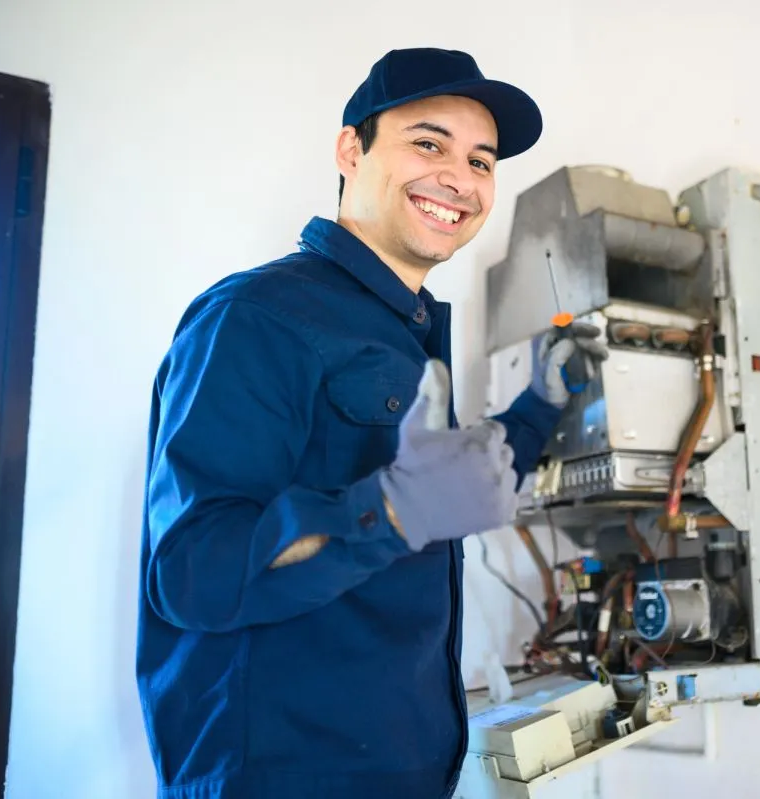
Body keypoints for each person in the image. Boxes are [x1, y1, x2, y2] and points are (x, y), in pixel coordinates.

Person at [135, 48, 606, 799]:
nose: (461, 177)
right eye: (429, 143)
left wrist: (540, 405)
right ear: (350, 148)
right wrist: (390, 510)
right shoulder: (256, 318)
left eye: (481, 160)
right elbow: (195, 571)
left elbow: (452, 485)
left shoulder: (403, 334)